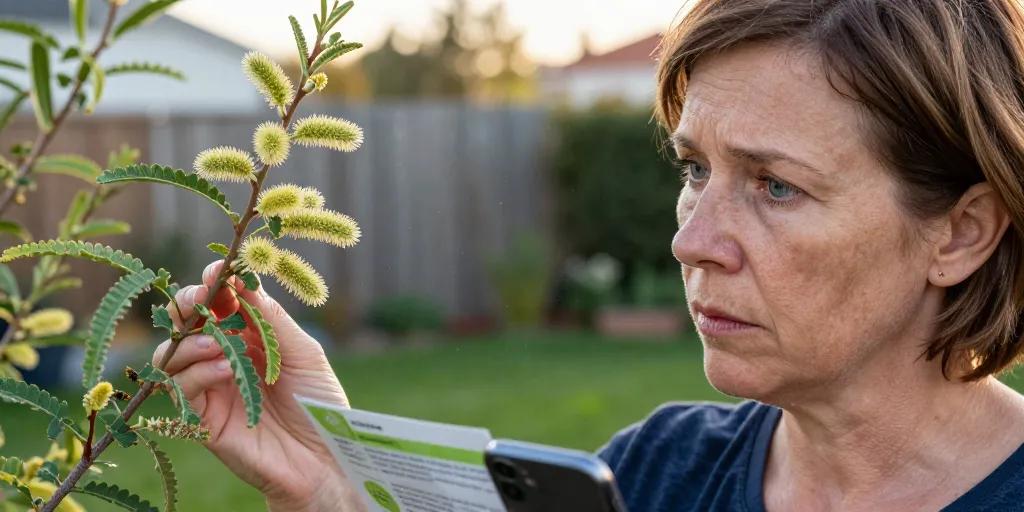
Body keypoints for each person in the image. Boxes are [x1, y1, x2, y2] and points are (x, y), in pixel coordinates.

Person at [155, 0, 1024, 510]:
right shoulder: (652, 473)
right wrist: (337, 483)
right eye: (695, 169)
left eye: (776, 187)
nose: (691, 240)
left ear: (961, 232)